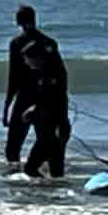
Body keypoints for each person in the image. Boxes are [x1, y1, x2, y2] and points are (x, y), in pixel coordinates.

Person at [3, 4, 66, 169]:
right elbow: (61, 76)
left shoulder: (16, 43)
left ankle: (17, 181)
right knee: (46, 141)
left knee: (13, 148)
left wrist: (7, 106)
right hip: (48, 100)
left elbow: (13, 77)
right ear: (34, 19)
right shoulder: (50, 42)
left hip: (27, 98)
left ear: (18, 21)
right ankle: (50, 184)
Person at [20, 41, 72, 178]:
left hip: (52, 132)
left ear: (36, 57)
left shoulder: (51, 74)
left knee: (30, 169)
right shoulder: (50, 71)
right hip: (55, 130)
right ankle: (56, 197)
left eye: (27, 59)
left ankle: (46, 197)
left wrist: (33, 110)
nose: (27, 63)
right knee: (57, 174)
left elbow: (54, 101)